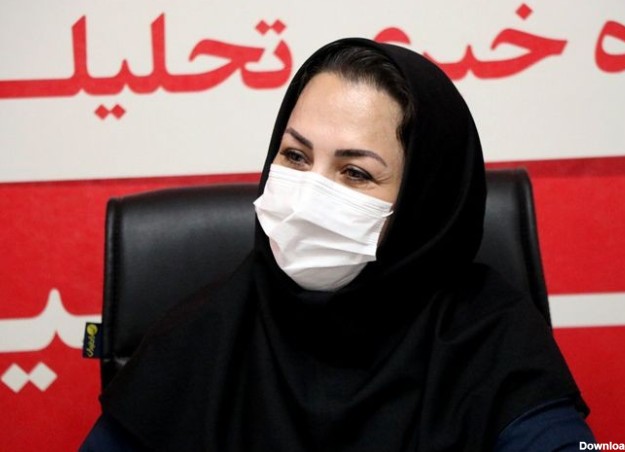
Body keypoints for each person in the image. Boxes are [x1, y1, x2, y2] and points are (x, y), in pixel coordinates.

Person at [81, 38, 595, 451]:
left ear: (422, 203)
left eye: (355, 172)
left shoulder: (492, 337)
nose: (308, 196)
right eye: (296, 157)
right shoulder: (198, 334)